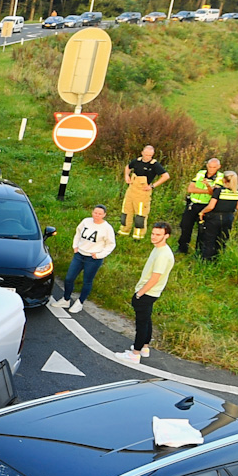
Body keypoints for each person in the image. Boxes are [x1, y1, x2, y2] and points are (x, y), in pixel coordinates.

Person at [121, 223, 174, 363]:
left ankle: (135, 353)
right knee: (147, 320)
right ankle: (144, 347)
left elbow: (155, 278)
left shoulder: (163, 255)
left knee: (141, 324)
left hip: (148, 292)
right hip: (151, 292)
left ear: (166, 236)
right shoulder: (159, 249)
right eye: (153, 233)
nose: (154, 237)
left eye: (158, 235)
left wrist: (140, 293)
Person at [51, 204, 116, 314]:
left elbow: (111, 244)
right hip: (79, 255)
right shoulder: (86, 221)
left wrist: (99, 255)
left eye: (100, 214)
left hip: (93, 259)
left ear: (104, 215)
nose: (97, 215)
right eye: (95, 213)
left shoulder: (107, 228)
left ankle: (80, 302)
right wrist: (75, 246)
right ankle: (66, 299)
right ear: (92, 212)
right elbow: (78, 233)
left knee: (87, 281)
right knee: (69, 278)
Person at [120, 145, 169, 241]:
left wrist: (152, 186)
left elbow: (166, 176)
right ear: (142, 153)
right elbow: (128, 167)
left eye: (150, 155)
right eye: (146, 154)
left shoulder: (154, 164)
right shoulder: (137, 161)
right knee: (126, 211)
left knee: (140, 214)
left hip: (143, 192)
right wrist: (126, 176)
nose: (147, 157)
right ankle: (124, 231)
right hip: (131, 189)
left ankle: (138, 236)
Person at [176, 157, 222, 254]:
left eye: (214, 167)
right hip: (193, 203)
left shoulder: (220, 177)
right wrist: (207, 190)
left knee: (202, 230)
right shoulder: (201, 173)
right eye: (210, 167)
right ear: (207, 165)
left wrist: (207, 187)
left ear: (218, 167)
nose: (211, 169)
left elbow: (213, 193)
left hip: (206, 206)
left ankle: (199, 251)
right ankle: (182, 248)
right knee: (185, 226)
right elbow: (190, 189)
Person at [198, 171, 238, 261]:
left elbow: (211, 206)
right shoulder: (237, 192)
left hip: (214, 217)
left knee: (209, 239)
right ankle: (218, 259)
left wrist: (202, 212)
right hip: (228, 217)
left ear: (224, 180)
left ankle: (206, 260)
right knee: (222, 239)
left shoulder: (219, 191)